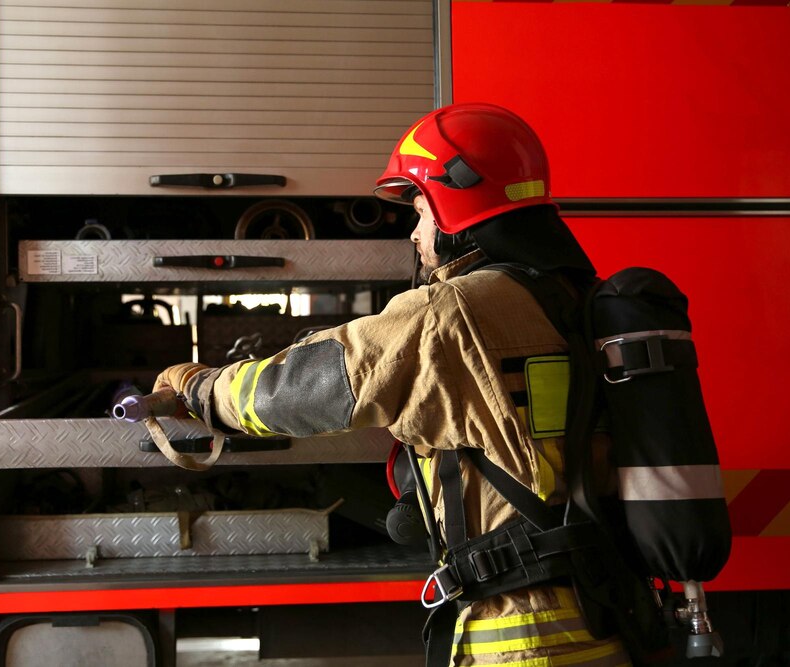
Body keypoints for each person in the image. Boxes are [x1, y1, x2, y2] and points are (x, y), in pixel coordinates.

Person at [154, 103, 632, 666]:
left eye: (420, 208)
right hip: (603, 615)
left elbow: (296, 390)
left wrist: (199, 389)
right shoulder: (576, 298)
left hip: (523, 637)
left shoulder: (451, 313)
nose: (414, 230)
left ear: (454, 202)